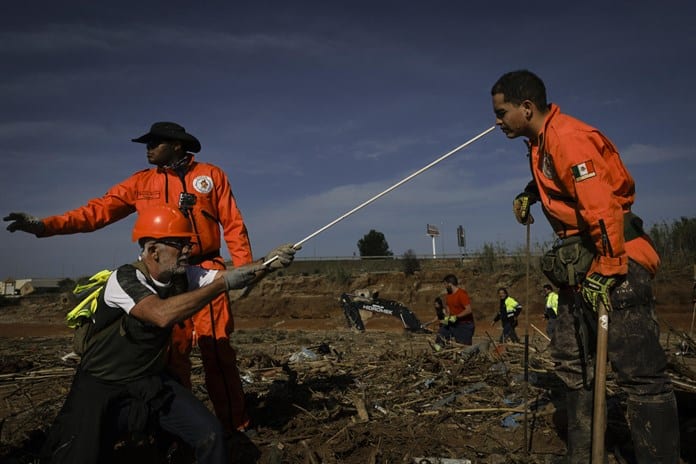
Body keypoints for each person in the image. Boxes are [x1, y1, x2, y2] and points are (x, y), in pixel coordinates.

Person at [5, 122, 255, 433]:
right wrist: (45, 226)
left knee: (216, 350)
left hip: (205, 271)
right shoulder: (140, 183)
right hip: (162, 277)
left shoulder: (211, 176)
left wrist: (244, 269)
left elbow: (233, 224)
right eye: (147, 143)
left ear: (177, 145)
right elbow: (96, 212)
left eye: (155, 142)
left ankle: (235, 426)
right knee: (171, 357)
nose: (148, 148)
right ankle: (181, 431)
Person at [491, 70, 679, 462]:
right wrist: (531, 194)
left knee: (641, 376)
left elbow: (599, 205)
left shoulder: (568, 139)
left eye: (502, 111)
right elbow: (564, 187)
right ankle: (584, 455)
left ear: (526, 108)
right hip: (581, 267)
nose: (497, 121)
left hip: (615, 261)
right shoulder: (540, 145)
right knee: (575, 366)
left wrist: (610, 268)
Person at [40, 205, 296, 463]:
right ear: (153, 250)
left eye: (188, 243)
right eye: (181, 244)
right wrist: (221, 285)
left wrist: (268, 263)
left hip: (149, 381)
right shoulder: (124, 279)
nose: (189, 250)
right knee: (78, 455)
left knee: (210, 434)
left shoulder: (184, 276)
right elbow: (161, 315)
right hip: (100, 385)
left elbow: (236, 277)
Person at [433, 274, 475, 350]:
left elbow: (468, 310)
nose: (444, 286)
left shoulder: (461, 294)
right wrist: (445, 321)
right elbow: (448, 312)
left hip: (465, 325)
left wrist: (456, 317)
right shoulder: (448, 295)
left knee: (463, 348)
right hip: (453, 323)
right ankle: (437, 351)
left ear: (450, 284)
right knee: (441, 333)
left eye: (445, 284)